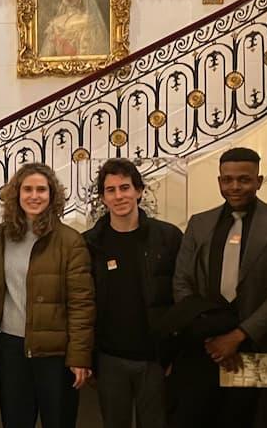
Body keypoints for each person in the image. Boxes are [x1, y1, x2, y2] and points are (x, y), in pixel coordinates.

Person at [171, 147, 267, 428]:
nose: (235, 186)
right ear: (219, 181)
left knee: (255, 421)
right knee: (205, 419)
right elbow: (182, 281)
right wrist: (210, 336)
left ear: (259, 180)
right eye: (227, 179)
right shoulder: (199, 223)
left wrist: (237, 336)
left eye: (244, 179)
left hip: (256, 347)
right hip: (207, 350)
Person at [0, 162, 95, 428]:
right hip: (12, 347)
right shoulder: (3, 235)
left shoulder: (70, 241)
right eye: (27, 189)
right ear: (16, 194)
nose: (34, 196)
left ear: (52, 195)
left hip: (55, 352)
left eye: (41, 190)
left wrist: (79, 356)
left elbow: (82, 303)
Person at [82, 159, 182, 428]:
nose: (119, 196)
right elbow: (82, 303)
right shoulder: (90, 244)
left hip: (155, 359)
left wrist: (174, 353)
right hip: (110, 359)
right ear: (103, 198)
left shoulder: (168, 238)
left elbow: (181, 297)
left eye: (125, 188)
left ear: (139, 190)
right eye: (111, 190)